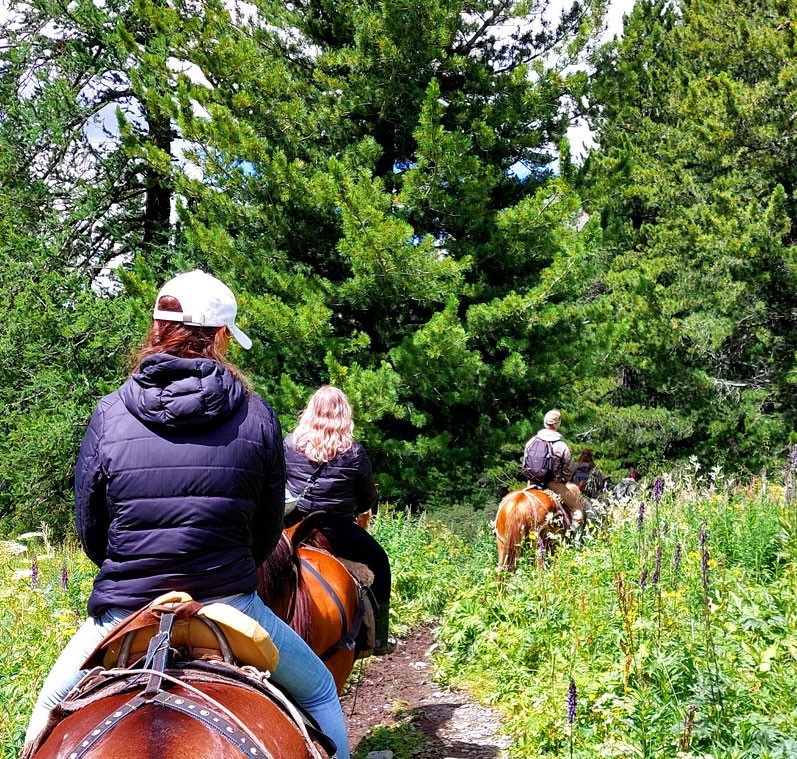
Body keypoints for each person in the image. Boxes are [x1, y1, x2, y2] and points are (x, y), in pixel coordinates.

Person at [24, 270, 349, 758]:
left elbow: (92, 530)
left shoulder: (109, 413)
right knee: (322, 690)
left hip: (124, 610)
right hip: (228, 603)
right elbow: (263, 536)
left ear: (155, 328)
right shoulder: (257, 415)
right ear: (221, 336)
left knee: (45, 714)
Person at [284, 385, 395, 656]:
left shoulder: (288, 445)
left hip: (293, 527)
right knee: (380, 563)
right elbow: (367, 498)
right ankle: (379, 637)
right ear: (344, 415)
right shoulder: (353, 452)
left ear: (310, 412)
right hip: (337, 531)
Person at [523, 409, 584, 525]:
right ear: (558, 424)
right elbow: (568, 470)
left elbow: (525, 463)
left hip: (532, 482)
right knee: (577, 506)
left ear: (545, 423)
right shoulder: (561, 445)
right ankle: (577, 536)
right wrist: (564, 481)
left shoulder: (531, 442)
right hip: (553, 483)